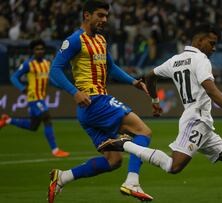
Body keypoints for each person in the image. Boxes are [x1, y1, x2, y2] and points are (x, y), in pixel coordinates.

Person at [116, 24, 222, 203]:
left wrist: (155, 101)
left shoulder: (175, 60)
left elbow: (150, 76)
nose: (214, 49)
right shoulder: (201, 59)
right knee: (173, 166)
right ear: (200, 41)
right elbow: (210, 89)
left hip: (203, 124)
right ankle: (125, 144)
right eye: (211, 43)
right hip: (196, 120)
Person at [47, 0, 154, 202]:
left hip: (89, 111)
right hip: (96, 101)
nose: (104, 20)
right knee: (144, 132)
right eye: (100, 15)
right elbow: (54, 70)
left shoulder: (101, 40)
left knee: (113, 161)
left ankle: (62, 177)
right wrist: (74, 91)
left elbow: (111, 67)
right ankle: (132, 182)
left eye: (106, 16)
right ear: (86, 15)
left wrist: (133, 82)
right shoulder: (75, 40)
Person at [0, 39, 70, 158]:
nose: (40, 51)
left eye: (42, 49)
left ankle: (7, 120)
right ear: (32, 51)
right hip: (33, 98)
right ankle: (55, 150)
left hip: (41, 98)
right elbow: (14, 77)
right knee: (47, 118)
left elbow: (49, 79)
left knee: (33, 126)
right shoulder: (28, 64)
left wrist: (59, 85)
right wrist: (22, 88)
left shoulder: (46, 63)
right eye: (37, 49)